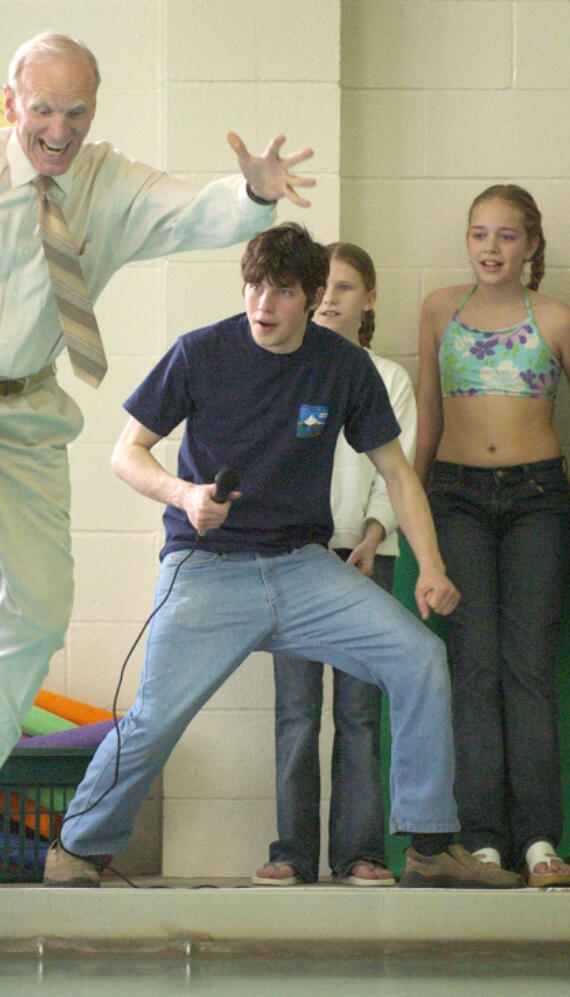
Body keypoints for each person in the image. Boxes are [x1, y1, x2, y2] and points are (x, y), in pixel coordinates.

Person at [0, 31, 315, 896]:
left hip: (25, 401)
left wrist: (254, 193)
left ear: (93, 112)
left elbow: (195, 210)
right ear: (11, 103)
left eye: (76, 112)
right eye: (42, 110)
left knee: (42, 607)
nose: (59, 129)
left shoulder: (108, 185)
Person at [44, 222, 524, 890]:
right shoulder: (200, 353)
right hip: (207, 567)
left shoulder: (342, 366)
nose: (263, 304)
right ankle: (77, 845)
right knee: (155, 715)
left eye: (282, 290)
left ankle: (427, 843)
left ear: (312, 295)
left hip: (303, 567)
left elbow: (397, 472)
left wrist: (433, 566)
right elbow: (126, 452)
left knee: (419, 656)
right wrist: (184, 495)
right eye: (254, 286)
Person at [414, 185, 570, 887]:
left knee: (528, 670)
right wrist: (413, 502)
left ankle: (539, 840)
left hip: (539, 498)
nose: (491, 248)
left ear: (532, 245)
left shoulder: (558, 318)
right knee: (471, 670)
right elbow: (427, 410)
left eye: (507, 236)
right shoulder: (440, 309)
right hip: (456, 498)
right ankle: (482, 839)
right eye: (480, 234)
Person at [253, 243, 414, 888]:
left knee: (359, 714)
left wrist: (372, 537)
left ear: (368, 301)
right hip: (296, 560)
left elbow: (396, 473)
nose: (329, 298)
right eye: (322, 286)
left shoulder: (389, 378)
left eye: (345, 288)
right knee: (296, 713)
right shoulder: (284, 374)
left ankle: (360, 854)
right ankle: (292, 852)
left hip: (367, 560)